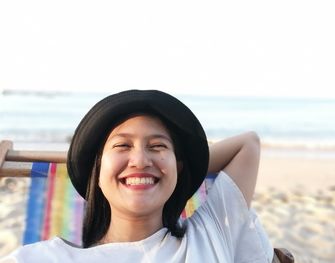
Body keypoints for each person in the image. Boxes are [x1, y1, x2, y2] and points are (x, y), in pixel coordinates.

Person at [1, 89, 274, 262]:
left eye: (157, 147)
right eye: (122, 146)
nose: (141, 160)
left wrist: (176, 169)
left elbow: (247, 144)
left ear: (179, 165)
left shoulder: (211, 231)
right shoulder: (41, 258)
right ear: (97, 168)